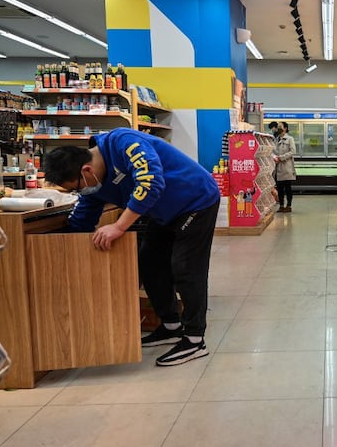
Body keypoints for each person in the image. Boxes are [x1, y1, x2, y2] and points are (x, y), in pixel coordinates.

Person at [42, 127, 220, 366]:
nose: (79, 191)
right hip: (163, 212)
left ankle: (195, 339)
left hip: (196, 200)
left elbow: (150, 181)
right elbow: (83, 218)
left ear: (86, 170)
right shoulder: (93, 186)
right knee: (149, 261)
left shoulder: (123, 142)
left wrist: (119, 226)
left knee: (186, 269)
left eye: (76, 187)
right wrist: (59, 247)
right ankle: (171, 326)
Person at [273, 121, 296, 212]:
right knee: (279, 188)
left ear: (285, 128)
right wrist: (273, 157)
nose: (278, 128)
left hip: (286, 168)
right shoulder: (276, 139)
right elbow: (273, 150)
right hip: (278, 168)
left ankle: (289, 206)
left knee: (288, 188)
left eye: (280, 126)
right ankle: (281, 206)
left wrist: (281, 158)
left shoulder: (290, 139)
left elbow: (293, 151)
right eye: (278, 126)